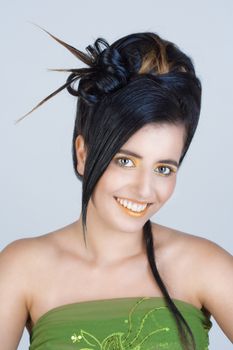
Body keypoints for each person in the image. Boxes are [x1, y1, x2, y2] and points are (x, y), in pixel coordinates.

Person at [0, 27, 232, 350]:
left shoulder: (204, 265)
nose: (144, 189)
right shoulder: (21, 268)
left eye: (163, 168)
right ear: (83, 153)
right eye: (125, 161)